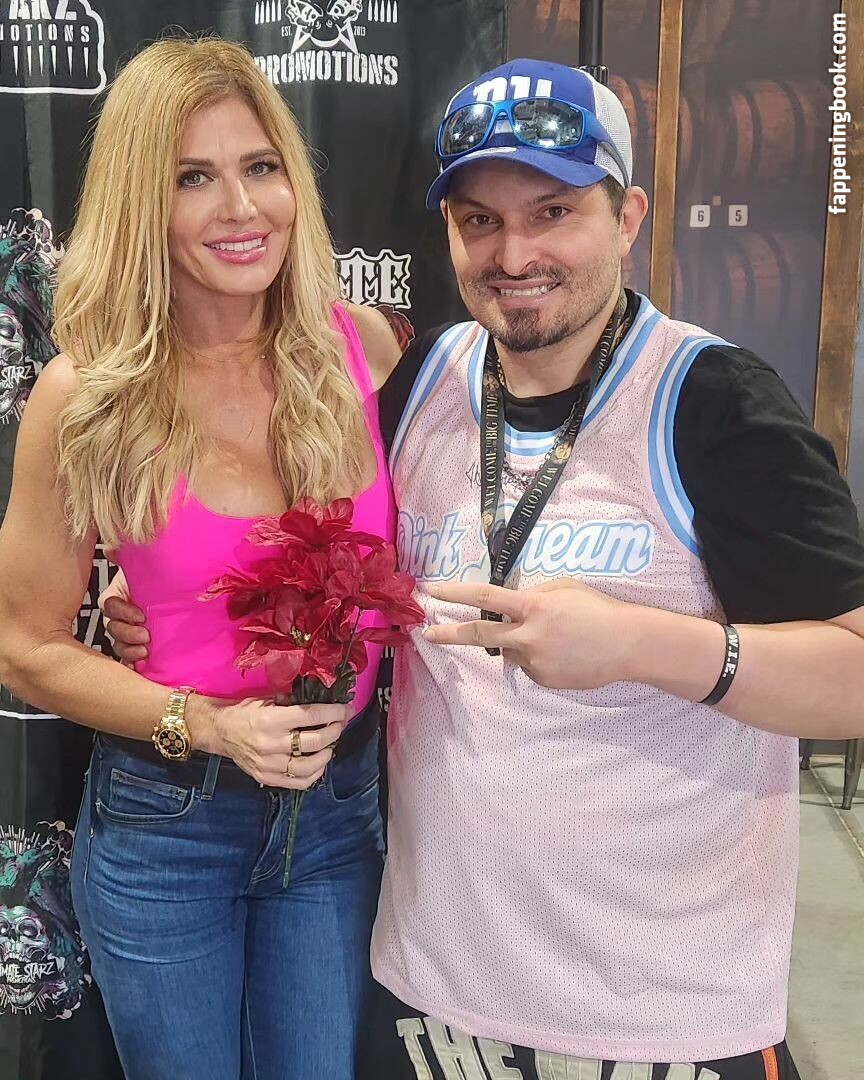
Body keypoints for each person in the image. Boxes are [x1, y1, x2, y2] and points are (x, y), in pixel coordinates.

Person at [105, 60, 864, 1080]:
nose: (515, 255)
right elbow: (314, 535)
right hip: (433, 991)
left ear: (627, 217)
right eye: (480, 222)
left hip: (661, 1012)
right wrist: (157, 595)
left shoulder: (712, 400)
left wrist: (642, 645)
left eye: (554, 212)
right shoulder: (424, 378)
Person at [0, 36, 401, 1080]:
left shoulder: (361, 347)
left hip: (339, 818)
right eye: (193, 177)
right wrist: (207, 720)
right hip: (166, 825)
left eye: (260, 166)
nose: (240, 206)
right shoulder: (86, 397)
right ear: (143, 203)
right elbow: (23, 648)